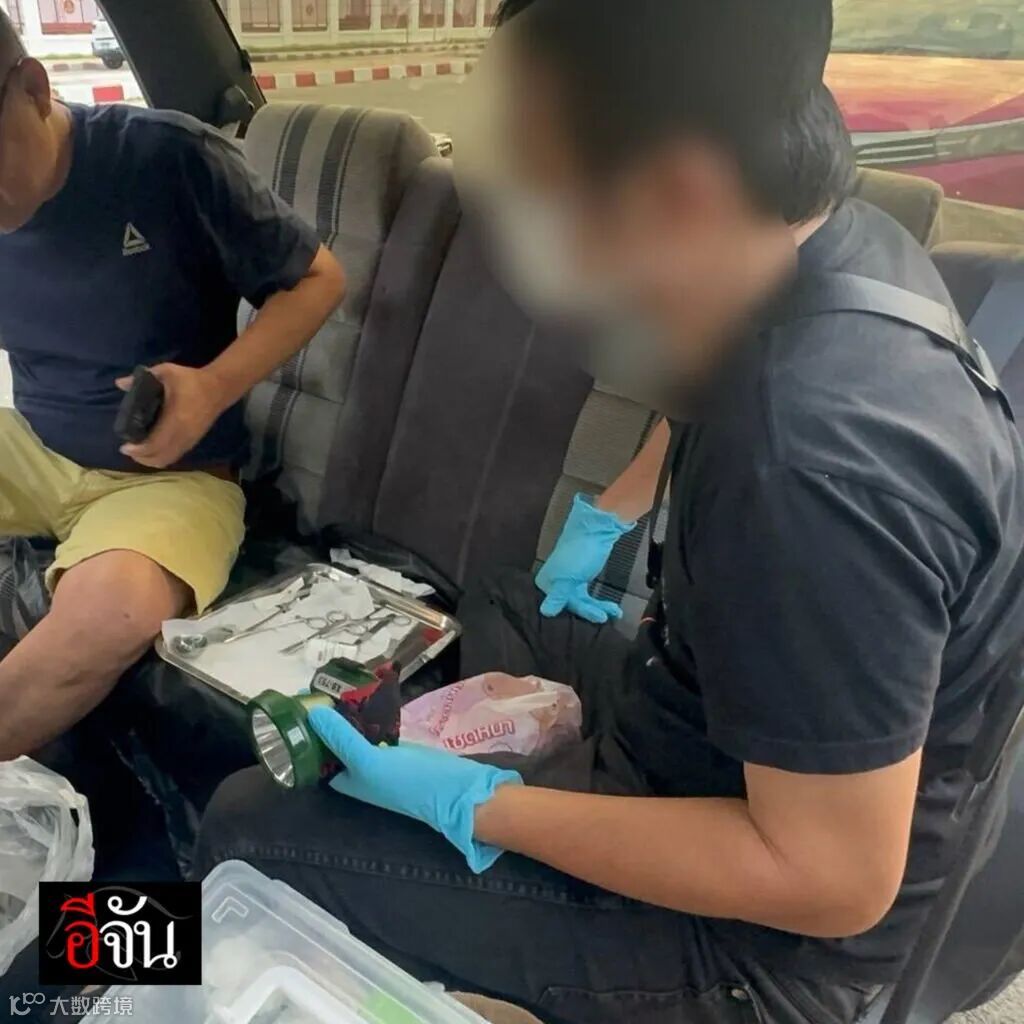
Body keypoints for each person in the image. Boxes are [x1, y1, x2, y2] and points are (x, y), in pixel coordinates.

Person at [194, 2, 1024, 1023]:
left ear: (679, 189)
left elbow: (829, 879)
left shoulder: (810, 461)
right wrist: (604, 522)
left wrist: (483, 805)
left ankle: (81, 953)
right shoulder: (824, 254)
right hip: (701, 732)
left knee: (253, 824)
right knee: (502, 600)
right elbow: (705, 393)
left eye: (538, 192)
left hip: (758, 957)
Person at [0, 14, 346, 760]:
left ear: (32, 87)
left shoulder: (168, 159)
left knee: (113, 616)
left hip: (171, 478)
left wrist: (214, 386)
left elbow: (320, 280)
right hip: (29, 448)